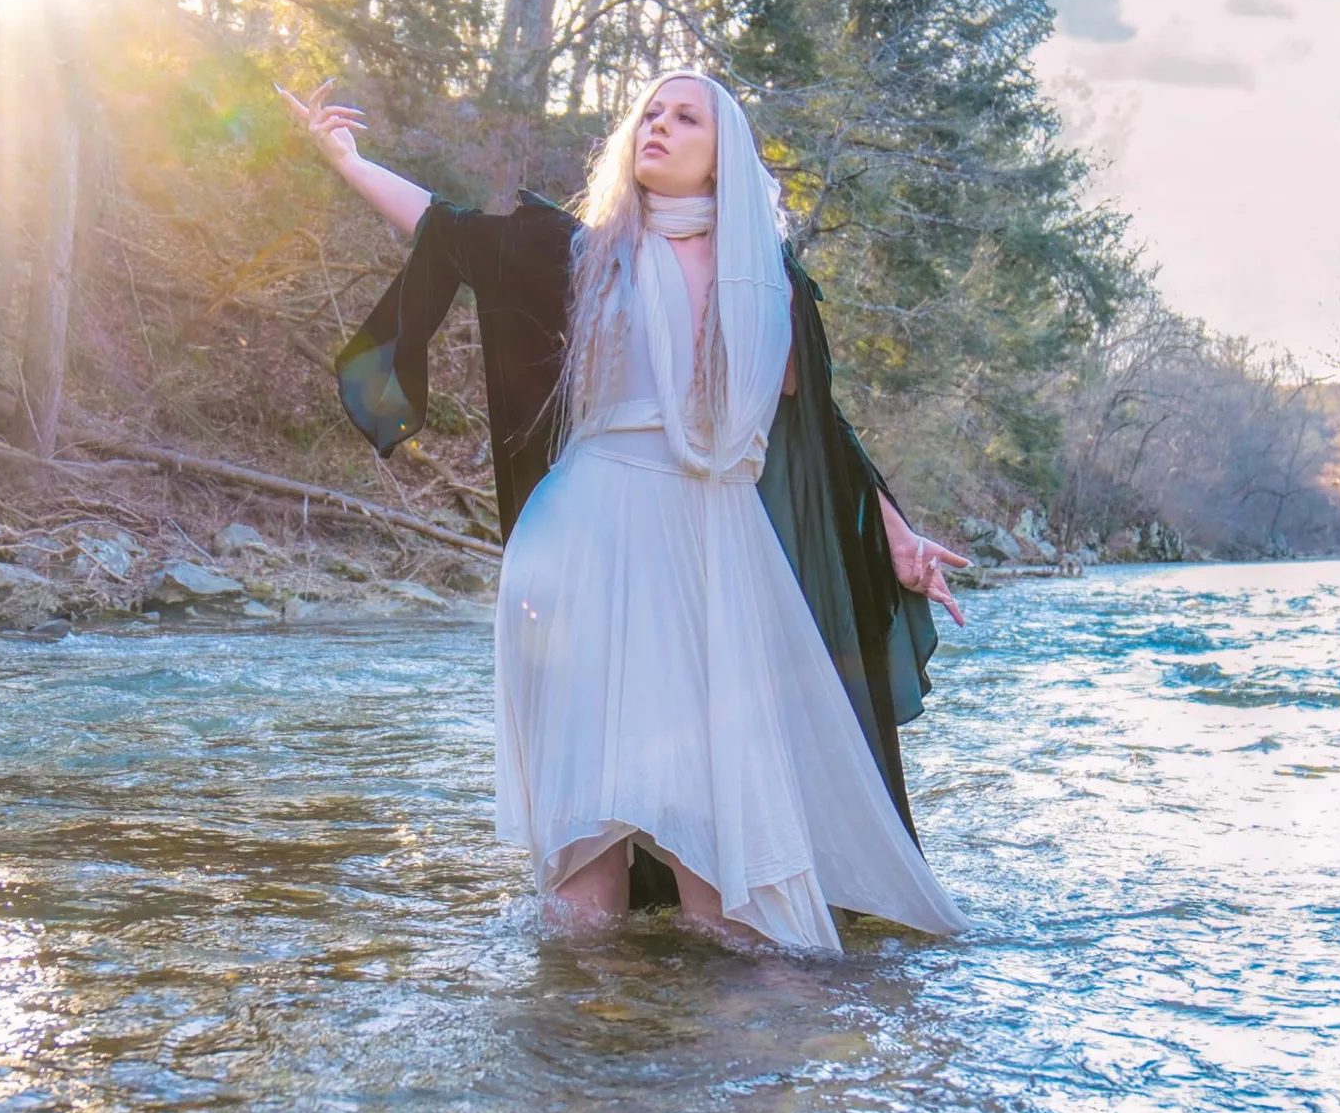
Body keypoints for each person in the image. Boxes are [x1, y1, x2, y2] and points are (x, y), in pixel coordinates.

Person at [282, 70, 973, 954]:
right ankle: (579, 1026)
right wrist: (346, 160)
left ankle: (712, 1031)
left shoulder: (772, 286)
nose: (659, 126)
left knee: (721, 864)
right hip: (585, 541)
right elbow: (445, 230)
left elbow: (819, 432)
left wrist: (897, 534)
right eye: (649, 112)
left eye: (686, 117)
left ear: (725, 154)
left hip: (714, 552)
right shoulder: (582, 254)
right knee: (588, 855)